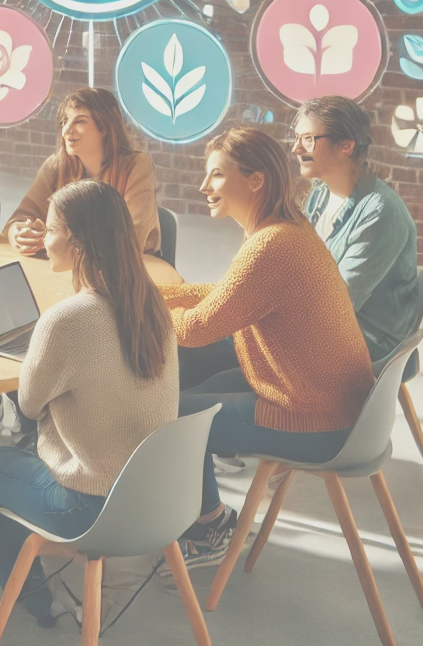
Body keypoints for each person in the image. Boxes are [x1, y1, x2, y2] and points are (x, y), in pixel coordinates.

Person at [162, 127, 374, 569]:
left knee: (168, 417)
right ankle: (198, 509)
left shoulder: (271, 245)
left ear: (255, 180)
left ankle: (207, 527)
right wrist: (155, 295)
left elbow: (200, 327)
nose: (204, 187)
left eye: (216, 175)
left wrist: (141, 307)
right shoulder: (285, 229)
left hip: (317, 420)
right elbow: (228, 294)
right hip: (320, 395)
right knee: (184, 387)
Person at [0, 180, 177, 627]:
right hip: (160, 499)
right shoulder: (152, 305)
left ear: (78, 243)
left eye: (51, 229)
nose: (44, 237)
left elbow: (26, 405)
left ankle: (41, 604)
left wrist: (43, 360)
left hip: (92, 509)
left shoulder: (67, 320)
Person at [293, 96, 422, 361]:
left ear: (346, 146)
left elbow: (338, 306)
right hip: (328, 322)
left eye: (308, 139)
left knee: (226, 348)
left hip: (368, 341)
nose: (296, 148)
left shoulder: (379, 211)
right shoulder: (320, 194)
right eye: (296, 138)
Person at [6, 87, 162, 257]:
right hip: (71, 264)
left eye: (80, 121)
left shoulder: (137, 165)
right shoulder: (56, 165)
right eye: (64, 121)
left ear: (104, 128)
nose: (67, 130)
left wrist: (56, 240)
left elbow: (130, 239)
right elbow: (20, 217)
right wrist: (17, 233)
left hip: (134, 269)